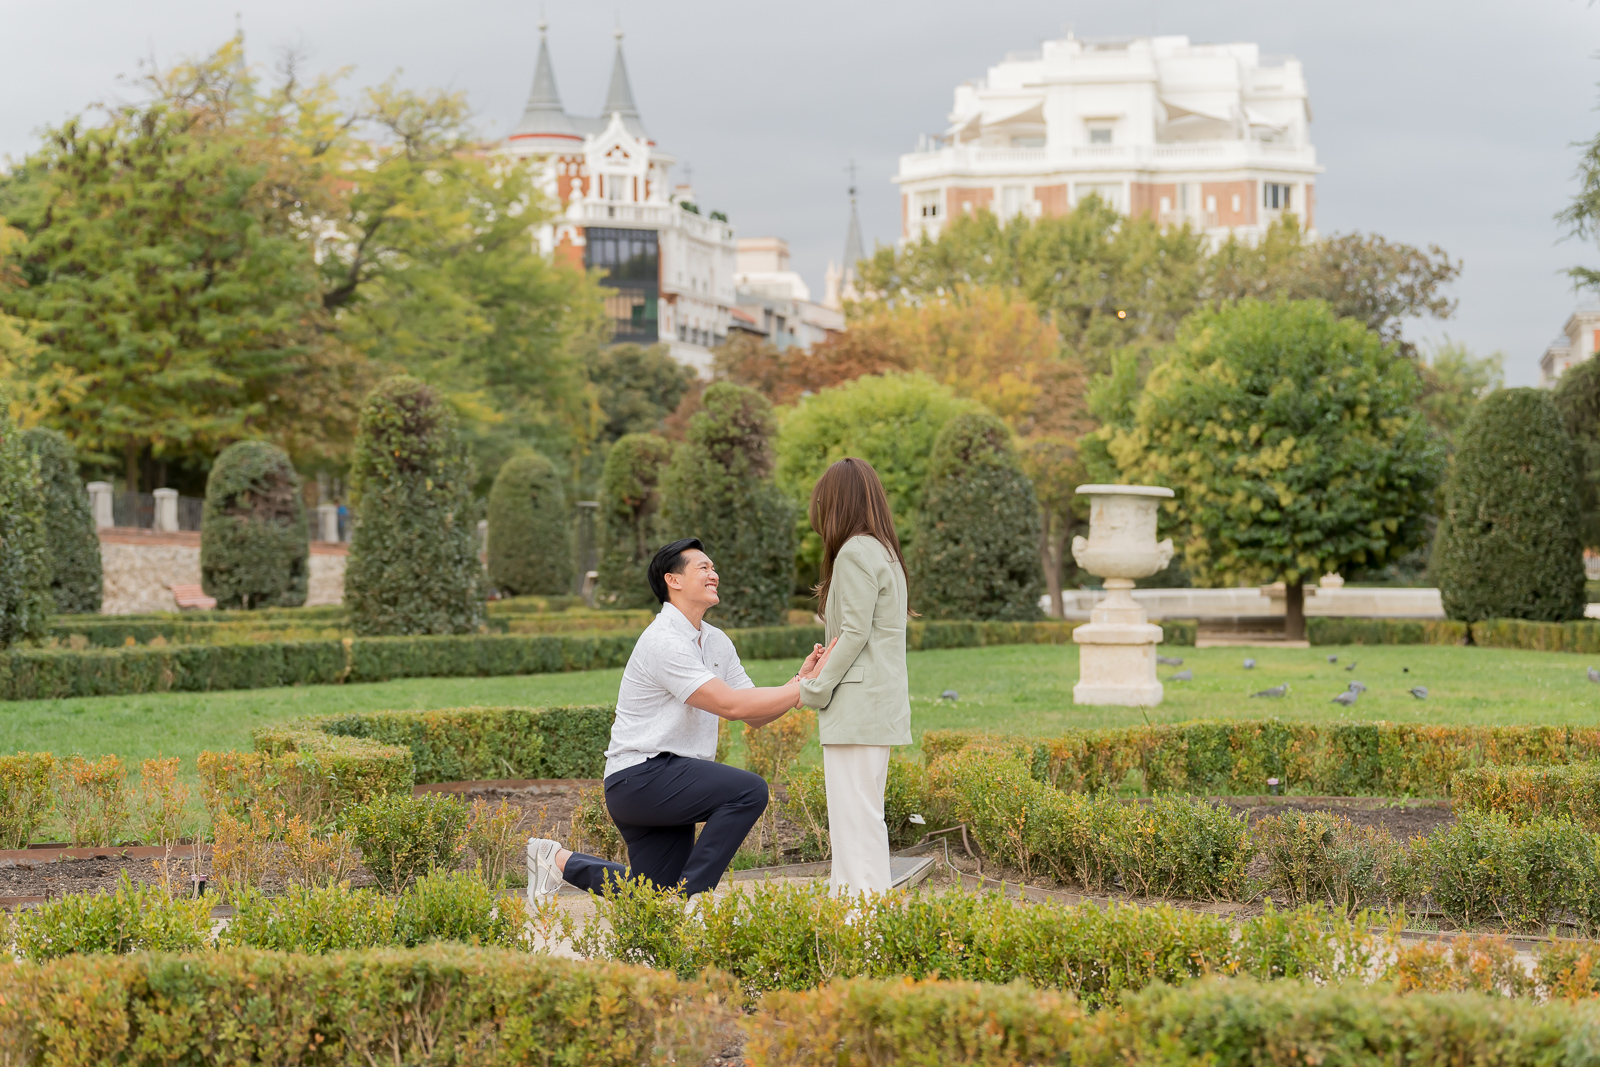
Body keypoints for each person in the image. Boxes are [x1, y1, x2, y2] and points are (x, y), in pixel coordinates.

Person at [526, 537, 832, 899]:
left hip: (671, 782)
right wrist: (807, 687)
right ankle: (696, 900)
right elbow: (731, 706)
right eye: (703, 567)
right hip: (640, 777)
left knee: (654, 895)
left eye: (713, 568)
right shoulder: (663, 641)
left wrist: (798, 682)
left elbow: (753, 713)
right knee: (749, 791)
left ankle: (556, 860)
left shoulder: (716, 642)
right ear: (673, 580)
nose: (713, 574)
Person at [798, 458, 912, 895]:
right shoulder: (883, 550)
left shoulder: (854, 552)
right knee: (861, 817)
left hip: (858, 706)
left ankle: (861, 922)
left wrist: (815, 687)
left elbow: (854, 633)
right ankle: (859, 914)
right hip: (877, 704)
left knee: (854, 821)